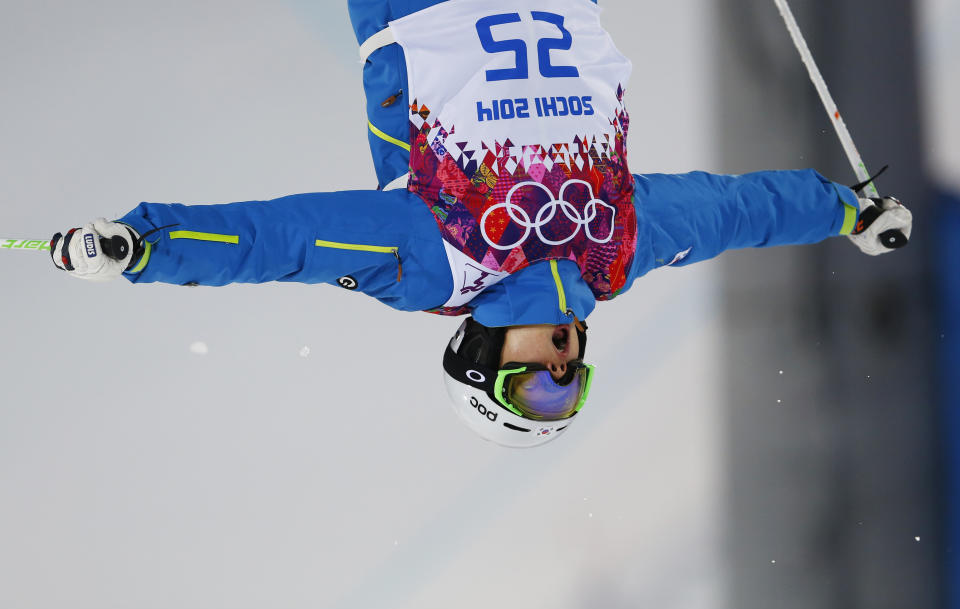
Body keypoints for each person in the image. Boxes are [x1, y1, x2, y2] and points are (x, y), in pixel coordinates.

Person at [47, 0, 913, 448]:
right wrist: (844, 209)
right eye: (569, 387)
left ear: (483, 360)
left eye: (536, 387)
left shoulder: (440, 265)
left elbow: (288, 242)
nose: (564, 368)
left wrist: (144, 247)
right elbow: (734, 213)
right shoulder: (616, 250)